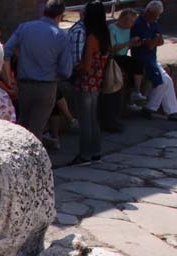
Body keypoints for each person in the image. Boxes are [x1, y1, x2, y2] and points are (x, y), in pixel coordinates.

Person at [3, 0, 73, 142]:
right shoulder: (61, 36)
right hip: (46, 87)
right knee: (36, 129)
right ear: (60, 16)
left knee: (23, 124)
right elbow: (66, 71)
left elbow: (5, 52)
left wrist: (8, 78)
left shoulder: (24, 28)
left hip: (24, 85)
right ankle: (33, 161)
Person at [131, 1, 177, 122]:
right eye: (156, 15)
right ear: (149, 12)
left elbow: (160, 42)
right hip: (143, 59)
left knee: (168, 81)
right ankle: (149, 108)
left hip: (152, 58)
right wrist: (155, 39)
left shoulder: (153, 23)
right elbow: (151, 45)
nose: (157, 18)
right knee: (161, 82)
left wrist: (154, 39)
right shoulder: (139, 24)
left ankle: (172, 112)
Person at [70, 0, 110, 164]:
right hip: (97, 81)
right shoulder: (105, 35)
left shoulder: (92, 38)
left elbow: (86, 66)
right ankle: (96, 151)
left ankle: (85, 154)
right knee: (93, 119)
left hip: (86, 82)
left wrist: (73, 70)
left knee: (85, 120)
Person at [100, 8, 142, 131]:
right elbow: (112, 49)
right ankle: (110, 122)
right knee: (113, 90)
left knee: (138, 63)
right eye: (131, 21)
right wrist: (128, 43)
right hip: (113, 59)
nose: (133, 24)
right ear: (124, 19)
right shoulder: (112, 29)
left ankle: (136, 91)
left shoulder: (130, 29)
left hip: (122, 58)